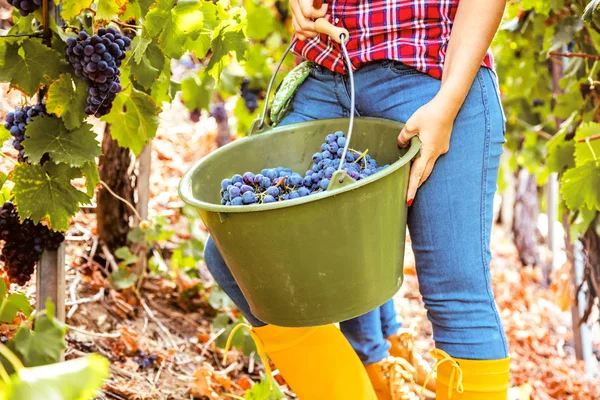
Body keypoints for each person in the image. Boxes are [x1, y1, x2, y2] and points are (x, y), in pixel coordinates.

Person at [204, 0, 510, 399]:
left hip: (432, 75)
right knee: (238, 258)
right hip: (327, 77)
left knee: (455, 293)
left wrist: (447, 104)